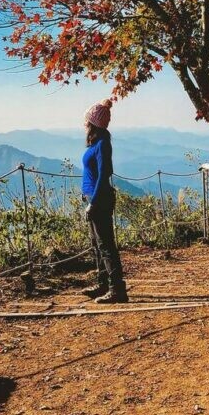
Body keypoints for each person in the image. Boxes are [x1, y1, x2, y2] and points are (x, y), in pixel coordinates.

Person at [81, 99, 128, 304]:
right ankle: (103, 284)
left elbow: (104, 174)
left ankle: (116, 289)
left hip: (99, 200)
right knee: (97, 244)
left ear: (93, 123)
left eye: (87, 121)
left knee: (106, 245)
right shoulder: (97, 143)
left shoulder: (102, 144)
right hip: (93, 197)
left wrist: (94, 202)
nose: (84, 124)